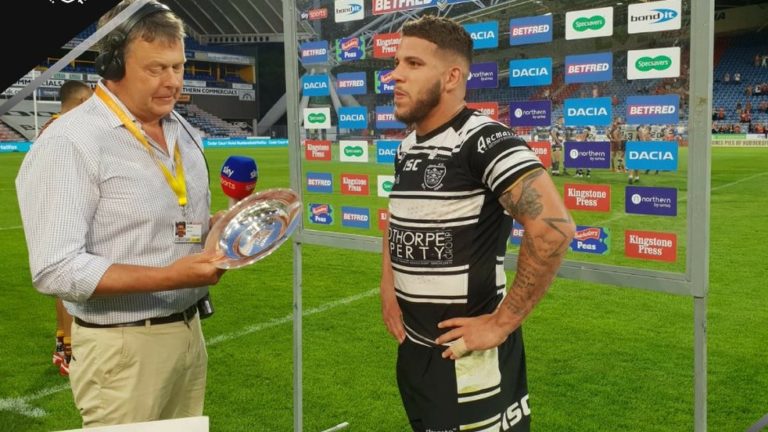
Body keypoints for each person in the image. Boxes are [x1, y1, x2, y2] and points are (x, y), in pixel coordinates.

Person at [15, 0, 225, 427]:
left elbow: (175, 226)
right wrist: (172, 276)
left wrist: (221, 229)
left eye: (178, 67)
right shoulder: (71, 141)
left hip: (189, 335)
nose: (173, 82)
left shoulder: (184, 130)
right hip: (121, 349)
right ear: (112, 65)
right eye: (156, 69)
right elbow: (55, 269)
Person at [380, 15, 575, 432]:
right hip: (416, 350)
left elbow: (554, 228)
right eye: (397, 63)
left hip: (470, 360)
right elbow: (398, 217)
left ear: (452, 77)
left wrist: (501, 323)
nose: (395, 75)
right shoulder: (407, 146)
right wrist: (388, 285)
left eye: (413, 64)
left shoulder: (486, 141)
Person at [38, 80, 95, 377]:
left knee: (63, 289)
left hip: (51, 217)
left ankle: (63, 345)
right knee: (72, 286)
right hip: (66, 217)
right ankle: (71, 352)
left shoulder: (51, 126)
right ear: (83, 100)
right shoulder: (68, 130)